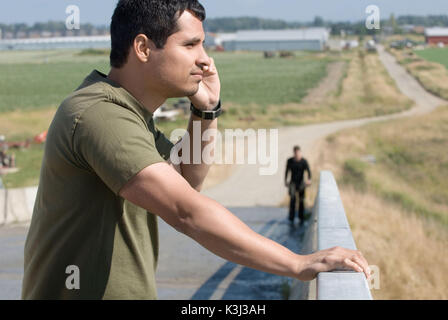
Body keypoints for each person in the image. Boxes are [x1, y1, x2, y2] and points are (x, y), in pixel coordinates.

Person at [22, 0, 370, 300]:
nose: (205, 60)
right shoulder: (99, 114)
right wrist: (298, 263)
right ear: (143, 48)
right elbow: (186, 210)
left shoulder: (129, 115)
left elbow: (187, 180)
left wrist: (206, 111)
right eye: (191, 45)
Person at [285, 146, 311, 225]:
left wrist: (309, 179)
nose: (297, 154)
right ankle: (291, 217)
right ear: (294, 153)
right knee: (292, 200)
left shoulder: (304, 161)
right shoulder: (290, 161)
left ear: (300, 152)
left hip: (301, 183)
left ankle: (301, 217)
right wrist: (286, 180)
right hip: (292, 182)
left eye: (298, 153)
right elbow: (287, 171)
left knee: (301, 200)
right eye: (295, 153)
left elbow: (308, 171)